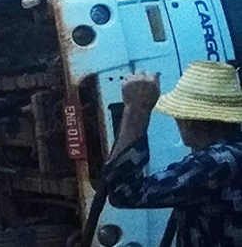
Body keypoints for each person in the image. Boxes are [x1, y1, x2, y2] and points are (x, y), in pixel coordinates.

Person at [104, 62, 242, 247]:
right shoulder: (231, 154)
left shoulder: (215, 163)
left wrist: (136, 110)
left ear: (189, 121)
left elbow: (124, 192)